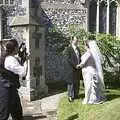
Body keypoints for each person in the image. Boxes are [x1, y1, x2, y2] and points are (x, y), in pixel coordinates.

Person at [0, 39, 28, 120]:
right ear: (14, 48)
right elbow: (23, 72)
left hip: (10, 88)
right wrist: (26, 61)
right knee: (4, 115)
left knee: (17, 112)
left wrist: (21, 56)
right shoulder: (10, 60)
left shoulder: (7, 56)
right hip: (7, 90)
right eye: (17, 47)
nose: (18, 49)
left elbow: (16, 58)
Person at [64, 36, 83, 102]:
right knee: (71, 83)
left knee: (77, 82)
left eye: (77, 40)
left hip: (78, 68)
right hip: (71, 68)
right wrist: (75, 65)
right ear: (72, 41)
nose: (77, 41)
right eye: (76, 40)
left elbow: (80, 57)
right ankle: (70, 96)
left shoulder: (78, 49)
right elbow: (68, 59)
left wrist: (80, 65)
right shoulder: (68, 49)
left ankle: (76, 95)